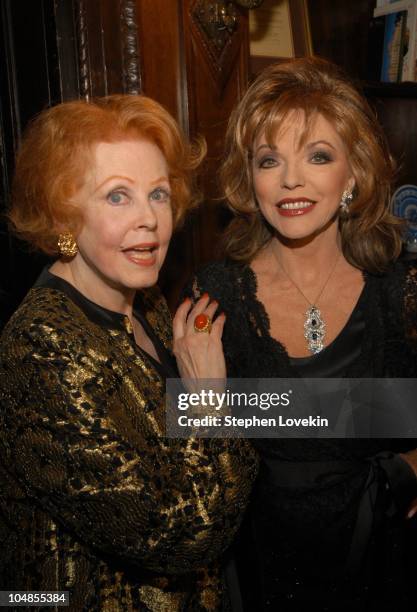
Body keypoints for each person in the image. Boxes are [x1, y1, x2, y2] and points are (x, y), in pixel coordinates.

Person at [0, 95, 258, 611]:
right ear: (63, 217)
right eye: (118, 196)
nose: (150, 220)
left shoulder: (146, 302)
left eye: (158, 194)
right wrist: (209, 400)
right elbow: (176, 536)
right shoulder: (40, 347)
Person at [184, 57, 417, 610]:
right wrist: (204, 407)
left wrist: (405, 476)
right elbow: (191, 466)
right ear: (252, 180)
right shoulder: (214, 297)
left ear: (353, 174)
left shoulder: (400, 289)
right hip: (255, 570)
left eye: (318, 155)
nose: (291, 179)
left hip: (381, 561)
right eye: (270, 160)